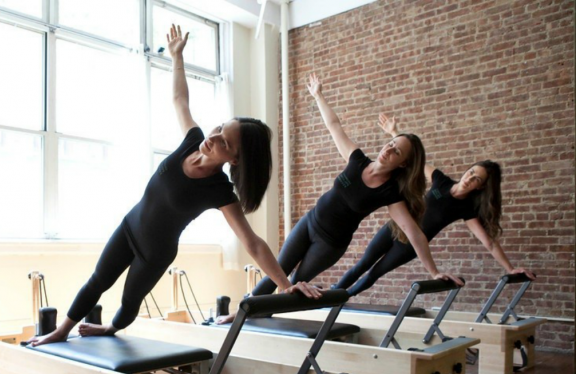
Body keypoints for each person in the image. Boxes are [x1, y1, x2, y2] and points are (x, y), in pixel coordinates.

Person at [28, 25, 320, 346]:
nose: (213, 136)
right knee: (98, 280)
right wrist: (177, 57)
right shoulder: (192, 140)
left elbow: (252, 243)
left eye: (224, 141)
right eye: (220, 128)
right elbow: (180, 98)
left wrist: (284, 283)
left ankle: (111, 329)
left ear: (234, 160)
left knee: (129, 301)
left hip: (155, 253)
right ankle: (61, 331)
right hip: (130, 227)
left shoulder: (220, 190)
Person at [216, 74, 462, 325]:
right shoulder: (357, 161)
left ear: (404, 163)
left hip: (329, 244)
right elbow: (334, 125)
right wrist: (318, 95)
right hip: (310, 222)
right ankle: (241, 315)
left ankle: (264, 317)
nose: (388, 149)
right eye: (390, 143)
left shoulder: (391, 193)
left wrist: (434, 271)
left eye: (396, 150)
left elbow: (414, 232)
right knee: (278, 272)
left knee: (296, 284)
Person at [334, 113, 535, 296]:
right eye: (471, 172)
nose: (469, 178)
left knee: (374, 274)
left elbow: (489, 242)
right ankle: (334, 294)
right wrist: (395, 132)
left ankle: (344, 298)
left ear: (480, 188)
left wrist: (510, 269)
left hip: (410, 245)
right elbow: (414, 161)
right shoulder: (441, 180)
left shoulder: (466, 208)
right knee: (361, 265)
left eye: (477, 179)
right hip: (395, 229)